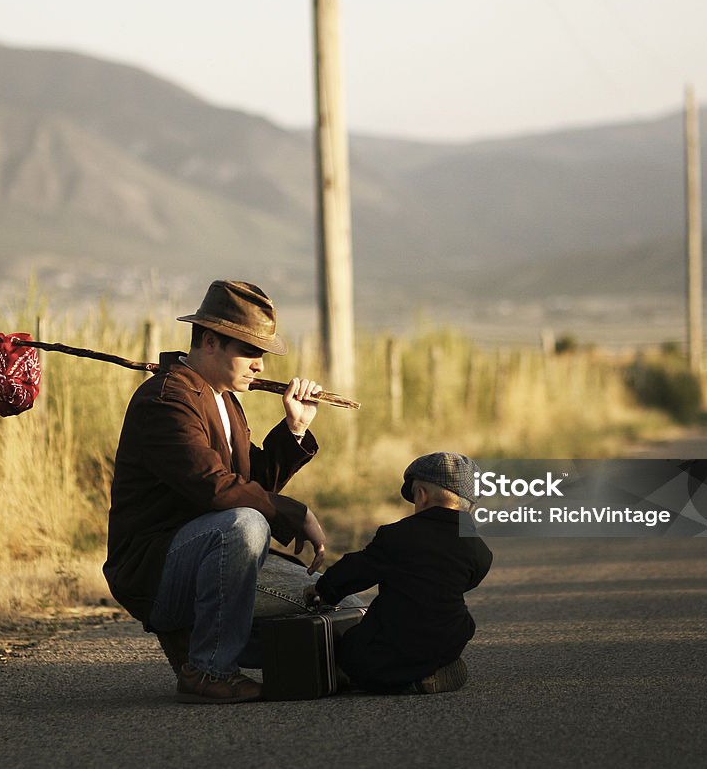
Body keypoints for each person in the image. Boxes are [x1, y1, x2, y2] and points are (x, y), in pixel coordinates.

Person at [103, 280, 329, 704]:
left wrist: (295, 428)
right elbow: (214, 488)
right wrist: (295, 514)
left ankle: (212, 646)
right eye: (250, 351)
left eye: (263, 353)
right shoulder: (166, 400)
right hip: (158, 572)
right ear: (209, 341)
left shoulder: (224, 398)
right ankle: (207, 670)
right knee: (242, 524)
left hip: (214, 559)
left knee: (343, 604)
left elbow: (251, 483)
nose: (261, 365)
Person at [304, 451, 493, 695]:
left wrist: (323, 590)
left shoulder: (396, 536)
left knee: (351, 646)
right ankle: (430, 672)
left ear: (422, 496)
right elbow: (471, 578)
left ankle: (391, 680)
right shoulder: (477, 548)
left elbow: (357, 569)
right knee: (455, 629)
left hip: (391, 642)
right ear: (471, 506)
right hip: (446, 638)